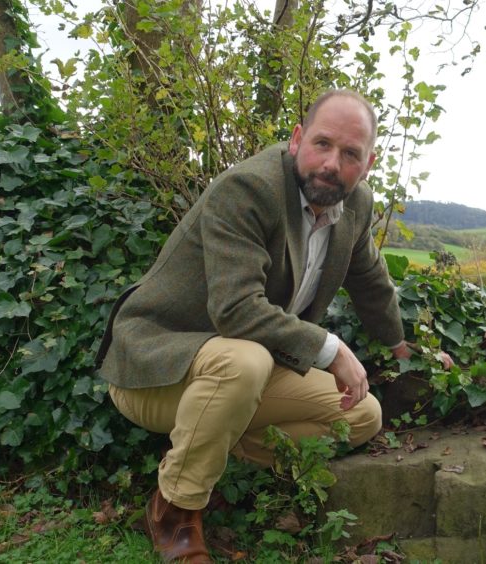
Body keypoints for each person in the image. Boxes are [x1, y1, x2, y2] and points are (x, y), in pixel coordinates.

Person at [96, 89, 450, 563]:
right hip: (157, 365)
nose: (331, 163)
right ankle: (174, 511)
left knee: (362, 415)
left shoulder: (356, 206)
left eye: (350, 154)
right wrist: (331, 348)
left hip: (234, 372)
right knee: (246, 359)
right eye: (322, 144)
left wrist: (403, 347)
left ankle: (210, 441)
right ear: (297, 138)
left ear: (368, 164)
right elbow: (237, 310)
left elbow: (369, 280)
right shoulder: (249, 189)